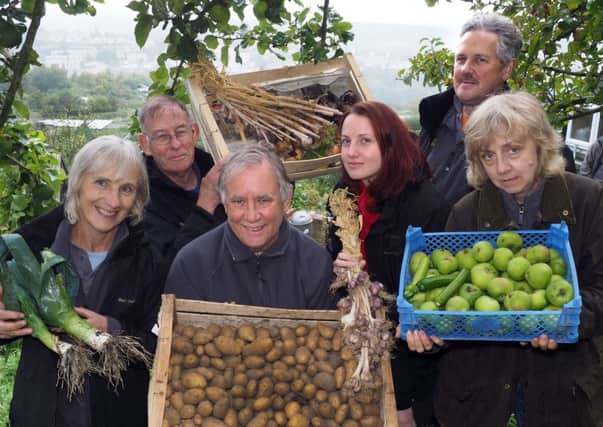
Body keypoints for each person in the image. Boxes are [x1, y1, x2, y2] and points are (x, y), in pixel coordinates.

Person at [407, 92, 603, 426]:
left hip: (561, 394)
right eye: (488, 155)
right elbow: (457, 303)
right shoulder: (465, 212)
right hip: (480, 397)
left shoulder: (588, 200)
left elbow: (600, 288)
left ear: (539, 146)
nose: (501, 167)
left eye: (513, 150)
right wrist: (433, 334)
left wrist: (563, 322)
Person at [0, 136, 163, 427]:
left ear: (137, 199)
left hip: (119, 415)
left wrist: (112, 330)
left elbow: (161, 345)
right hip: (40, 414)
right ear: (77, 183)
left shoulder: (148, 260)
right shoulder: (30, 250)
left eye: (126, 189)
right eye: (101, 183)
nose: (113, 201)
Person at [327, 101, 449, 427]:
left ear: (389, 144)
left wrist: (403, 399)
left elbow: (424, 304)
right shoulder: (343, 195)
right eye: (346, 141)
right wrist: (340, 269)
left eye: (365, 141)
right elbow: (335, 264)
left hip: (411, 361)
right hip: (360, 347)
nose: (351, 152)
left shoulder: (424, 206)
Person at [164, 143, 336, 310]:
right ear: (224, 204)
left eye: (263, 200)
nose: (252, 216)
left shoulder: (316, 264)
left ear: (286, 200)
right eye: (239, 202)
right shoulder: (191, 265)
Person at [419, 12, 522, 207]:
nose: (466, 69)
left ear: (507, 69)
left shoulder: (522, 134)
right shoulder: (434, 118)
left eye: (480, 60)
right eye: (461, 59)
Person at [137, 95, 226, 260]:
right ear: (145, 144)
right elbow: (169, 268)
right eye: (162, 137)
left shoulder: (213, 166)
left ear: (194, 133)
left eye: (181, 132)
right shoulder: (141, 198)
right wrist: (205, 206)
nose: (176, 144)